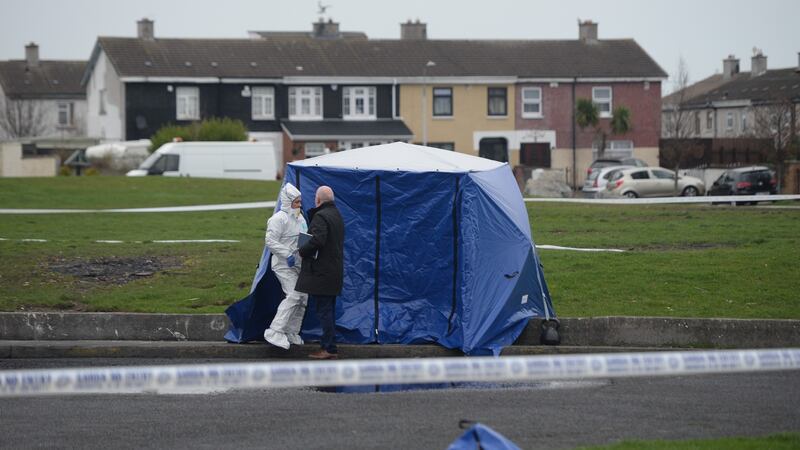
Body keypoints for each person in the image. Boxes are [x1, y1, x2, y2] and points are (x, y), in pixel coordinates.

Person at [296, 186, 345, 360]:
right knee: (329, 311)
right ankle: (330, 347)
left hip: (323, 273)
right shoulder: (337, 215)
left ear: (318, 200)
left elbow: (318, 240)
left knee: (324, 312)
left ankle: (329, 349)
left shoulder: (320, 216)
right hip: (334, 272)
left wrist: (302, 250)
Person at [263, 183, 308, 350]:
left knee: (303, 298)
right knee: (294, 295)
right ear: (288, 202)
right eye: (296, 202)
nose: (299, 205)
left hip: (298, 264)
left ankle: (291, 331)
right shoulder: (278, 219)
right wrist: (286, 254)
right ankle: (275, 330)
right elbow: (270, 241)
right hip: (282, 264)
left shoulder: (300, 218)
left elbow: (304, 238)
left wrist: (306, 253)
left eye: (300, 202)